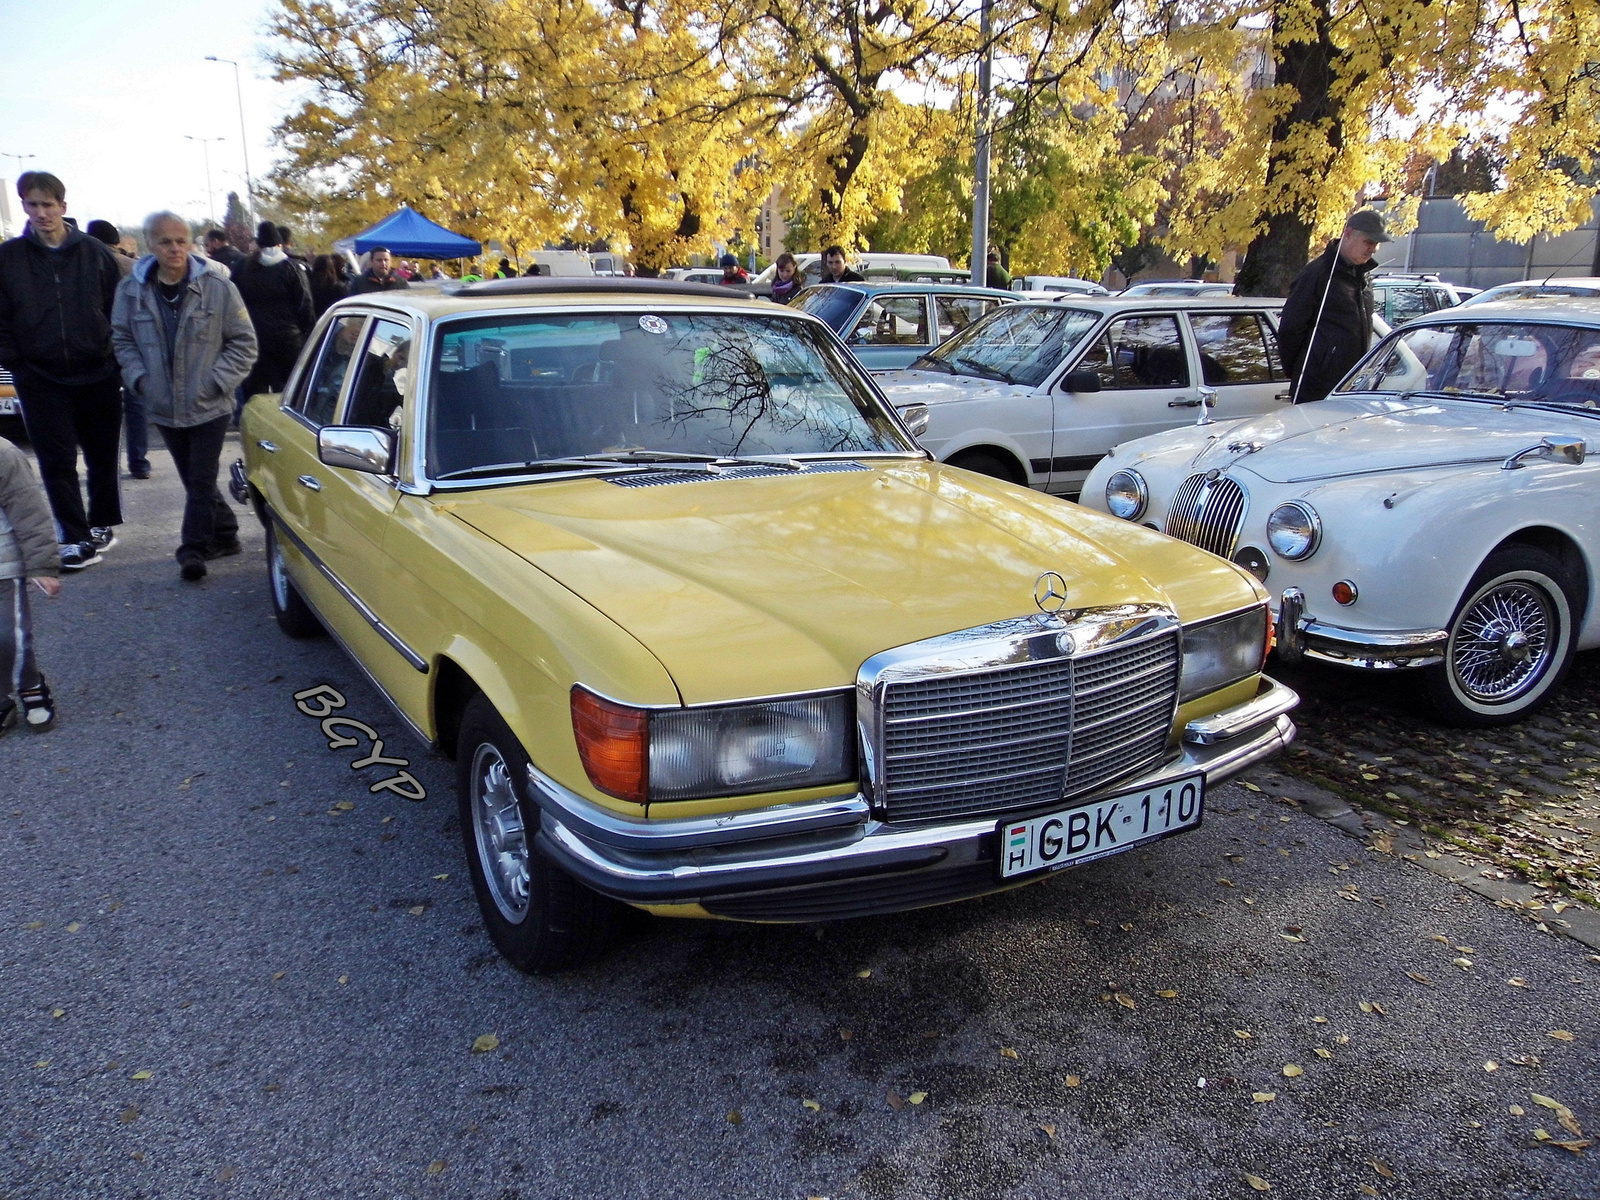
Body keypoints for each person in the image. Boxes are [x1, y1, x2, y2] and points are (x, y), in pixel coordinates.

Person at [111, 213, 257, 582]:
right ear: (150, 245)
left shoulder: (218, 287)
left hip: (210, 403)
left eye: (181, 240)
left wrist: (215, 382)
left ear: (191, 243)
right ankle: (225, 534)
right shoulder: (131, 291)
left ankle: (191, 548)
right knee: (196, 481)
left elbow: (244, 343)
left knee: (201, 477)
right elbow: (122, 340)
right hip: (162, 403)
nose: (174, 248)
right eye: (165, 242)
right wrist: (141, 380)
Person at [0, 171, 125, 571]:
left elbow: (117, 311)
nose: (41, 213)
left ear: (63, 207)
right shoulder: (9, 258)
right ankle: (73, 535)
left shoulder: (94, 253)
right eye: (33, 205)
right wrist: (16, 360)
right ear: (23, 206)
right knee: (56, 460)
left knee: (102, 454)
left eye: (48, 205)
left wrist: (114, 357)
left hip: (97, 370)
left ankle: (102, 522)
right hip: (39, 375)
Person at [1277, 209, 1389, 404]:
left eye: (1377, 243)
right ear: (1347, 234)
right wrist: (1303, 370)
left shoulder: (1363, 275)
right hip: (1317, 386)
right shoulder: (1317, 274)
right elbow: (1290, 329)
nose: (1373, 249)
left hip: (1353, 383)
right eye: (1368, 241)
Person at [0, 436, 61, 733]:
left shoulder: (4, 454)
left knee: (8, 638)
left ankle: (29, 682)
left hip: (2, 566)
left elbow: (30, 513)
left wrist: (42, 564)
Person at [89, 221, 151, 480]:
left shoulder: (84, 264)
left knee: (101, 408)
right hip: (132, 343)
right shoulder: (133, 267)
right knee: (136, 403)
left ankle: (105, 466)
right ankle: (139, 462)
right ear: (117, 241)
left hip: (96, 345)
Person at [231, 220, 313, 404]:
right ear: (280, 244)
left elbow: (233, 300)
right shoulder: (291, 267)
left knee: (255, 390)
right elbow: (304, 303)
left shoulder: (243, 266)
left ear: (258, 244)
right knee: (289, 392)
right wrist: (306, 332)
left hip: (253, 337)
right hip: (288, 339)